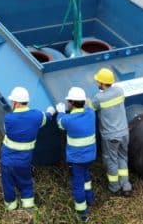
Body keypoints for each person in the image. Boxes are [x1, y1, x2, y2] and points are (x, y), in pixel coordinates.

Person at [48, 86, 96, 223]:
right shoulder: (91, 114)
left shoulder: (68, 120)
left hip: (77, 159)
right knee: (86, 176)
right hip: (90, 156)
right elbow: (88, 106)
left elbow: (60, 123)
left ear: (71, 103)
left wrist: (61, 111)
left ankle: (83, 212)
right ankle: (90, 198)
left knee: (78, 183)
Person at [1, 86, 49, 211]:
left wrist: (10, 112)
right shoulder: (37, 116)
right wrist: (51, 111)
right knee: (26, 182)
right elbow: (46, 118)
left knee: (8, 184)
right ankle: (28, 208)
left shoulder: (8, 119)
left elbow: (7, 130)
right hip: (24, 161)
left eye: (12, 101)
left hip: (7, 161)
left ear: (16, 103)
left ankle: (11, 209)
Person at [89, 68, 132, 196]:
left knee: (111, 160)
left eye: (98, 81)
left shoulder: (98, 97)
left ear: (102, 83)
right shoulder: (119, 91)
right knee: (122, 157)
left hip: (111, 136)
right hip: (124, 132)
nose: (97, 83)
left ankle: (114, 187)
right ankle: (126, 185)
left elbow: (90, 108)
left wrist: (87, 101)